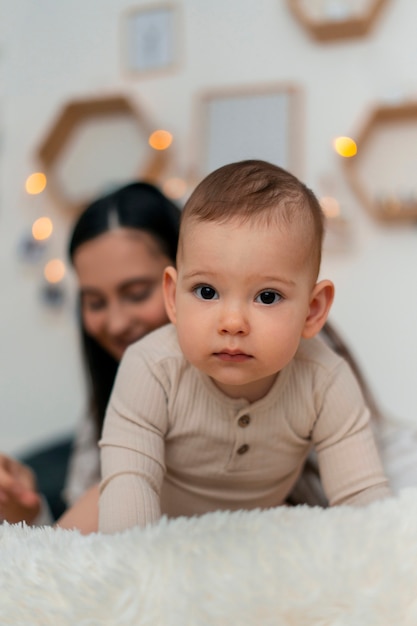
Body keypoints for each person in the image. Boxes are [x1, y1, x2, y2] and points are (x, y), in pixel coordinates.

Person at [98, 159, 392, 534]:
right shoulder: (151, 367)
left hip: (254, 534)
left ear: (312, 310)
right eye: (206, 292)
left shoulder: (326, 381)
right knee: (79, 534)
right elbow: (130, 481)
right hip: (155, 522)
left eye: (267, 297)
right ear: (172, 297)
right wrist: (131, 568)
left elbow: (362, 495)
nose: (232, 322)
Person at [0, 181, 181, 529]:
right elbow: (77, 551)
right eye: (95, 302)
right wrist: (27, 514)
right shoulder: (105, 404)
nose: (115, 324)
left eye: (137, 294)